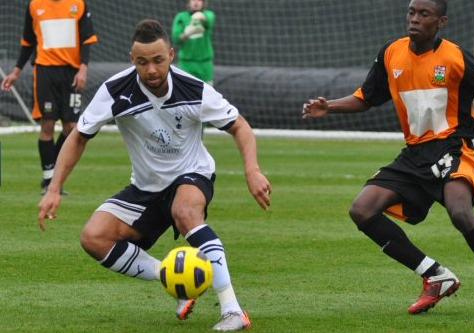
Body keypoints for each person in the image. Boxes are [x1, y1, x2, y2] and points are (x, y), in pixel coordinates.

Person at [302, 0, 474, 320]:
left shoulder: (455, 57)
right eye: (412, 12)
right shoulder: (391, 53)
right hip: (414, 155)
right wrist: (330, 107)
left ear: (441, 22)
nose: (414, 19)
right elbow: (366, 97)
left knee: (460, 211)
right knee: (362, 209)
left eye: (424, 14)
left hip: (454, 148)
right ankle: (435, 275)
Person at [38, 19, 271, 331]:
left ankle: (232, 310)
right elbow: (78, 136)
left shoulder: (194, 89)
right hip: (146, 187)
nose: (151, 70)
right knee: (94, 238)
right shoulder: (115, 91)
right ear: (132, 59)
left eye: (158, 60)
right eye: (142, 62)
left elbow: (239, 126)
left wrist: (252, 170)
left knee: (185, 210)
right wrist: (54, 188)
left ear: (171, 55)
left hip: (192, 174)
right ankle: (176, 278)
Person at [1, 0, 98, 194]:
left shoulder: (78, 4)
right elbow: (28, 42)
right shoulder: (35, 5)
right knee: (47, 125)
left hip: (71, 72)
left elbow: (87, 38)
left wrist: (83, 69)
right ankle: (49, 181)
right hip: (44, 72)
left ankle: (53, 169)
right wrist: (16, 72)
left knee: (71, 128)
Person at [171, 0, 215, 85]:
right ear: (188, 2)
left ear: (203, 2)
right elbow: (176, 39)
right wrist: (187, 34)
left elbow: (208, 20)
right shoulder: (181, 17)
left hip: (205, 64)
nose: (196, 2)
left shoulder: (209, 14)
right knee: (186, 93)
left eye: (199, 0)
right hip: (187, 64)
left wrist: (199, 16)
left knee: (207, 94)